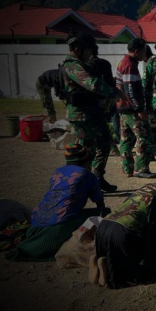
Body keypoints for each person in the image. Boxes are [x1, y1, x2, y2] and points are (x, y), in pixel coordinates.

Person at [91, 161, 156, 289]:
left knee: (116, 258)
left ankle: (104, 265)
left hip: (105, 227)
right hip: (123, 233)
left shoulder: (145, 187)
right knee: (144, 272)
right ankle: (112, 278)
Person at [6, 143, 107, 261]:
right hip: (58, 225)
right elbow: (99, 202)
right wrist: (103, 214)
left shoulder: (57, 172)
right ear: (86, 161)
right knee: (103, 214)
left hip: (36, 220)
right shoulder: (87, 175)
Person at [60, 31, 117, 192]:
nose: (91, 54)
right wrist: (115, 92)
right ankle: (77, 185)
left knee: (105, 143)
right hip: (81, 116)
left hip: (93, 113)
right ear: (78, 48)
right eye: (89, 50)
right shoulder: (72, 66)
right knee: (85, 152)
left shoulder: (83, 64)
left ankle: (97, 178)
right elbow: (93, 84)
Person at [115, 37, 156, 178]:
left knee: (126, 139)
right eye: (144, 51)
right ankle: (141, 169)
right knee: (143, 137)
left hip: (123, 108)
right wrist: (139, 109)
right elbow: (130, 91)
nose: (145, 54)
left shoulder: (125, 62)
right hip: (131, 109)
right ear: (137, 51)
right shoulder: (129, 66)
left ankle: (127, 169)